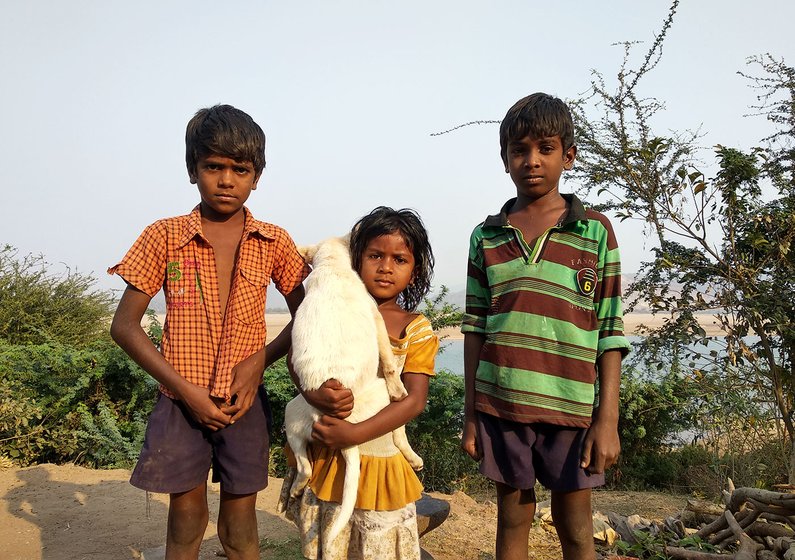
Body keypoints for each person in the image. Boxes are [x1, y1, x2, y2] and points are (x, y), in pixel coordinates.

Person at [109, 104, 308, 560]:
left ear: (256, 176)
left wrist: (259, 361)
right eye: (213, 166)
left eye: (240, 169)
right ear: (192, 168)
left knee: (240, 525)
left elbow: (308, 318)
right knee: (186, 520)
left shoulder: (274, 241)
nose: (226, 179)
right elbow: (125, 326)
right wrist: (185, 390)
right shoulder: (164, 236)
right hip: (181, 401)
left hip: (243, 403)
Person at [460, 92, 631, 560]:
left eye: (545, 148)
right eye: (519, 150)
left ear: (568, 155)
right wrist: (472, 414)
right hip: (502, 407)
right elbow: (475, 327)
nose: (531, 161)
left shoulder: (595, 231)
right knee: (512, 521)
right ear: (505, 159)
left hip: (572, 411)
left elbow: (610, 330)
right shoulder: (487, 235)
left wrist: (607, 419)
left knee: (574, 528)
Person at [279, 206, 439, 560]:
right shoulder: (327, 308)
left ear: (414, 273)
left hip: (379, 460)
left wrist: (353, 434)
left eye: (399, 259)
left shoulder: (415, 327)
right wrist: (312, 392)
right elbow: (297, 358)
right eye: (375, 255)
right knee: (328, 546)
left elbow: (413, 400)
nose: (385, 266)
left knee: (377, 547)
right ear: (355, 259)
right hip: (327, 456)